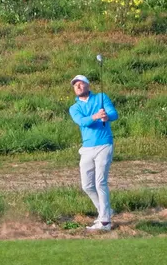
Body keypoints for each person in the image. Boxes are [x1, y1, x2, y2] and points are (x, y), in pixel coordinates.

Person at [68, 74, 119, 231]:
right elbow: (82, 121)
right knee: (87, 185)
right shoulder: (74, 107)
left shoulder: (101, 97)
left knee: (100, 182)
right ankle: (105, 211)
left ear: (88, 85)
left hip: (104, 144)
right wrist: (96, 116)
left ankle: (105, 222)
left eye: (81, 84)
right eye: (75, 85)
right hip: (87, 147)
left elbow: (114, 114)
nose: (78, 86)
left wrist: (106, 117)